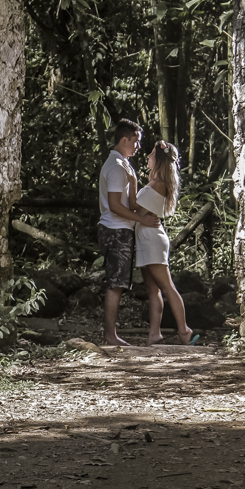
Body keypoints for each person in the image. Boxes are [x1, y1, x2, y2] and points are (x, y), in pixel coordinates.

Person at [97, 118, 160, 346]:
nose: (138, 146)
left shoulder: (123, 164)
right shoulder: (115, 167)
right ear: (124, 140)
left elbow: (130, 202)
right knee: (116, 284)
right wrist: (141, 219)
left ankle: (111, 334)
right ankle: (110, 336)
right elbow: (115, 205)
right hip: (115, 230)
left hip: (121, 230)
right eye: (135, 141)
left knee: (120, 283)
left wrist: (135, 183)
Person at [134, 140, 198, 346]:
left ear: (159, 160)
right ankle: (154, 334)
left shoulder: (159, 184)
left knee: (167, 287)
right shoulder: (154, 183)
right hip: (145, 238)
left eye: (152, 154)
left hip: (152, 239)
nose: (148, 157)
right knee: (153, 289)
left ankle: (184, 330)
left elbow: (134, 208)